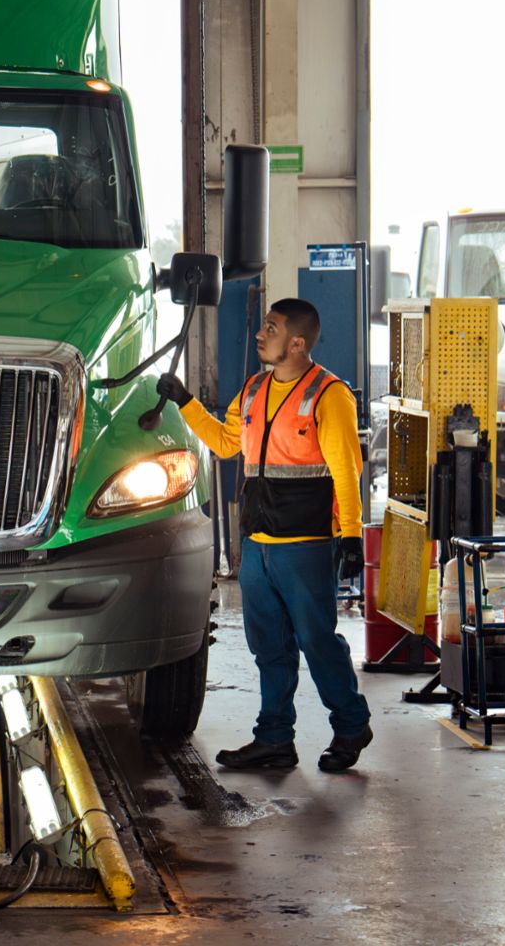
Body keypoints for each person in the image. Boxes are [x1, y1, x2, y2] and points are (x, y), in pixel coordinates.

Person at [158, 298, 373, 773]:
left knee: (317, 641)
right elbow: (226, 443)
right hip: (257, 545)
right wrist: (185, 401)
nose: (261, 334)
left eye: (271, 329)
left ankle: (351, 724)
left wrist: (353, 536)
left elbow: (346, 470)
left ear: (296, 343)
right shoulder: (254, 390)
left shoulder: (329, 395)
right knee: (269, 646)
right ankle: (274, 738)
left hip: (306, 545)